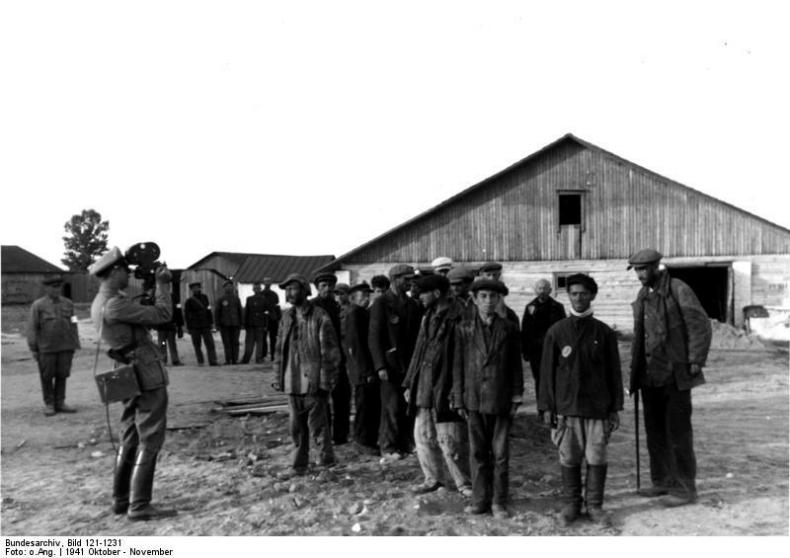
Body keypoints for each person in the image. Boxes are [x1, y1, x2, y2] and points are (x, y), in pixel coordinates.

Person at [89, 247, 177, 520]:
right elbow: (163, 314)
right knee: (150, 436)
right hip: (144, 371)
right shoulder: (115, 304)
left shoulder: (101, 302)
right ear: (114, 271)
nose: (128, 275)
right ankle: (139, 505)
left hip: (125, 371)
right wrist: (163, 285)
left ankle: (121, 500)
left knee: (130, 435)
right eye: (125, 271)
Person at [628, 249, 712, 507]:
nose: (640, 274)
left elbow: (699, 324)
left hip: (675, 374)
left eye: (644, 269)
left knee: (678, 433)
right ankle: (662, 481)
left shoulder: (678, 289)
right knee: (655, 433)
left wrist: (696, 358)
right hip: (650, 375)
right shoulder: (643, 294)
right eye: (637, 269)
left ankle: (685, 489)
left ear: (657, 266)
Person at [539, 273, 622, 525]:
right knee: (569, 457)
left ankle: (594, 506)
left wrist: (614, 408)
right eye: (574, 293)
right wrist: (547, 407)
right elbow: (546, 374)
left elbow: (614, 373)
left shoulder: (604, 332)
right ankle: (571, 505)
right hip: (567, 408)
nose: (578, 298)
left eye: (583, 293)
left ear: (592, 296)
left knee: (597, 457)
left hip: (597, 408)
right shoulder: (556, 332)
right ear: (568, 296)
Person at [451, 278, 524, 518]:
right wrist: (459, 398)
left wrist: (516, 396)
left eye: (493, 296)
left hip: (500, 398)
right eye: (483, 296)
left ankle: (499, 501)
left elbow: (515, 365)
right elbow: (457, 366)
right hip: (474, 399)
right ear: (474, 299)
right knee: (478, 453)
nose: (489, 301)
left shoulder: (509, 328)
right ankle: (480, 499)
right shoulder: (464, 328)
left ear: (499, 299)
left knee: (500, 454)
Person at [403, 274, 472, 497]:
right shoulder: (428, 316)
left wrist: (458, 390)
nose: (419, 297)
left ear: (436, 293)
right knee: (423, 436)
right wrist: (409, 382)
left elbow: (464, 358)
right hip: (424, 385)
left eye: (423, 293)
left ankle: (464, 483)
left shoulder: (460, 316)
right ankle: (433, 479)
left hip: (447, 386)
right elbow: (418, 351)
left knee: (451, 439)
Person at [273, 274, 341, 474]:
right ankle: (298, 465)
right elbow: (278, 349)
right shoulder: (286, 317)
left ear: (305, 291)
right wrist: (277, 376)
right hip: (291, 381)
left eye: (293, 288)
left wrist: (326, 380)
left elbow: (330, 351)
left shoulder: (319, 315)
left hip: (313, 381)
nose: (289, 293)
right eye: (287, 289)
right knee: (296, 427)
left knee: (318, 427)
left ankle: (326, 464)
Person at [368, 264, 423, 460]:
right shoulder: (381, 303)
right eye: (406, 279)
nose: (410, 283)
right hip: (390, 364)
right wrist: (380, 365)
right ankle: (388, 446)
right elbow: (374, 337)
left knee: (408, 405)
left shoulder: (412, 304)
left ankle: (406, 442)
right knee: (391, 406)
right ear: (395, 279)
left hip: (409, 364)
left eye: (411, 279)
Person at [26, 275, 81, 415]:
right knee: (47, 376)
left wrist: (75, 342)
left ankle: (60, 402)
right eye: (53, 287)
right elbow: (32, 327)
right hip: (46, 348)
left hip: (66, 346)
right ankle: (49, 404)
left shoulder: (68, 303)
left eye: (58, 287)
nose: (56, 290)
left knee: (63, 374)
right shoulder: (38, 305)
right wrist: (33, 348)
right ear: (46, 288)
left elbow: (74, 322)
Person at [311, 272, 352, 445]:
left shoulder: (338, 307)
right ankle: (324, 435)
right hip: (318, 360)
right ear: (317, 288)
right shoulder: (311, 307)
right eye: (323, 286)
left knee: (342, 396)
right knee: (321, 399)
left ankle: (341, 436)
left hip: (338, 359)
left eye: (330, 285)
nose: (327, 289)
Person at [344, 281, 381, 455]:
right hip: (362, 371)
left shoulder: (362, 312)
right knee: (364, 407)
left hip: (364, 369)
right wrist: (366, 371)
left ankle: (368, 440)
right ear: (353, 298)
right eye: (363, 296)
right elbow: (356, 345)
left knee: (369, 405)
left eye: (368, 295)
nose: (367, 298)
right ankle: (362, 441)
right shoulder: (355, 314)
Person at [521, 278, 566, 400]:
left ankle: (555, 404)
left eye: (545, 288)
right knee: (539, 378)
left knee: (554, 377)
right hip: (536, 351)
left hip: (553, 349)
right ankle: (542, 405)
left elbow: (563, 330)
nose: (542, 291)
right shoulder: (530, 307)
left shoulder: (558, 307)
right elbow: (525, 330)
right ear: (535, 290)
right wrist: (525, 351)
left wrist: (563, 349)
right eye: (540, 288)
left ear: (550, 290)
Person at [183, 282, 218, 366]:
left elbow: (208, 310)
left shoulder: (205, 298)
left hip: (205, 324)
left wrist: (211, 323)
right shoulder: (189, 301)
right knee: (197, 345)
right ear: (191, 290)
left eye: (197, 287)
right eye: (194, 288)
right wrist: (188, 327)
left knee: (210, 344)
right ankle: (200, 361)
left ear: (199, 288)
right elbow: (187, 315)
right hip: (195, 326)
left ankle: (212, 360)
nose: (196, 289)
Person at [477, 262, 520, 327]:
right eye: (488, 275)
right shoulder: (477, 289)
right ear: (482, 275)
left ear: (499, 275)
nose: (491, 278)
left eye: (494, 275)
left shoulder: (501, 288)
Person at [215, 280, 243, 365]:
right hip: (224, 324)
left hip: (235, 324)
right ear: (224, 288)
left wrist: (241, 323)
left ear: (233, 287)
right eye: (227, 286)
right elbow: (217, 312)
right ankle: (228, 359)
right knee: (227, 343)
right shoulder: (221, 299)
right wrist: (217, 324)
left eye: (230, 286)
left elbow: (240, 311)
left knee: (235, 342)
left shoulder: (236, 298)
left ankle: (235, 359)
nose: (229, 288)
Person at [154, 291, 184, 366]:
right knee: (163, 343)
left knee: (171, 343)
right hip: (162, 326)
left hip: (170, 325)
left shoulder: (174, 297)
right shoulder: (158, 297)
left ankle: (174, 360)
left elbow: (178, 311)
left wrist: (179, 325)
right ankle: (164, 359)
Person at [241, 281, 268, 364]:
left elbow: (266, 312)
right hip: (250, 324)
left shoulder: (264, 299)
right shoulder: (249, 299)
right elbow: (246, 311)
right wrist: (244, 323)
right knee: (249, 343)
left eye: (258, 288)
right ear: (253, 289)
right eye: (255, 288)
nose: (256, 290)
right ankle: (246, 359)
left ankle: (258, 359)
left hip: (260, 324)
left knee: (260, 343)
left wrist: (265, 324)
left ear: (260, 289)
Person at [261, 277, 281, 362]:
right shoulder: (261, 294)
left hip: (273, 319)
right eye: (266, 282)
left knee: (273, 338)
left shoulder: (274, 294)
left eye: (269, 282)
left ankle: (273, 355)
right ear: (263, 283)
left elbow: (277, 305)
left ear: (271, 283)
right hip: (263, 319)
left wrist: (278, 318)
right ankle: (263, 355)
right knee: (263, 338)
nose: (267, 284)